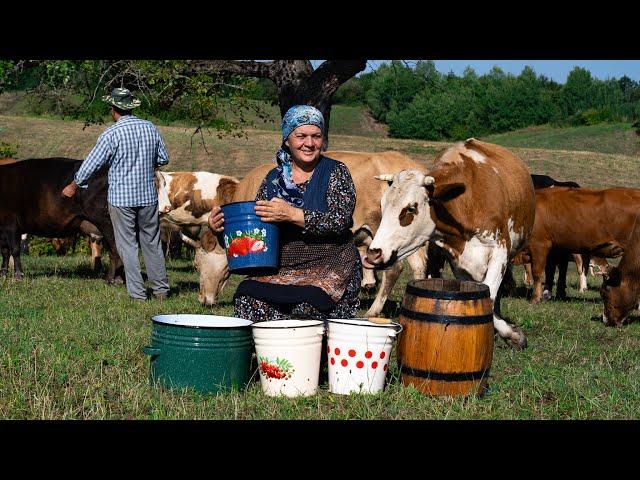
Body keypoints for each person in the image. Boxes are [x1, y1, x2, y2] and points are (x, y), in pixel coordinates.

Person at [209, 105, 362, 322]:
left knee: (307, 303)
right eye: (301, 136)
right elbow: (256, 233)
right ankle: (266, 354)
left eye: (316, 136)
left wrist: (291, 214)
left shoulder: (335, 172)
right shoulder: (273, 179)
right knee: (247, 296)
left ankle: (307, 354)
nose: (309, 143)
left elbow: (339, 221)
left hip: (332, 264)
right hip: (282, 268)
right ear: (287, 140)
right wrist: (222, 229)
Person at [62, 87, 171, 302]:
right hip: (148, 197)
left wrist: (73, 186)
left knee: (127, 245)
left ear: (114, 109)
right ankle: (161, 290)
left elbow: (92, 163)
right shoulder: (149, 127)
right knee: (151, 242)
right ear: (131, 107)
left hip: (122, 199)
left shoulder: (112, 133)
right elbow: (163, 157)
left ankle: (138, 294)